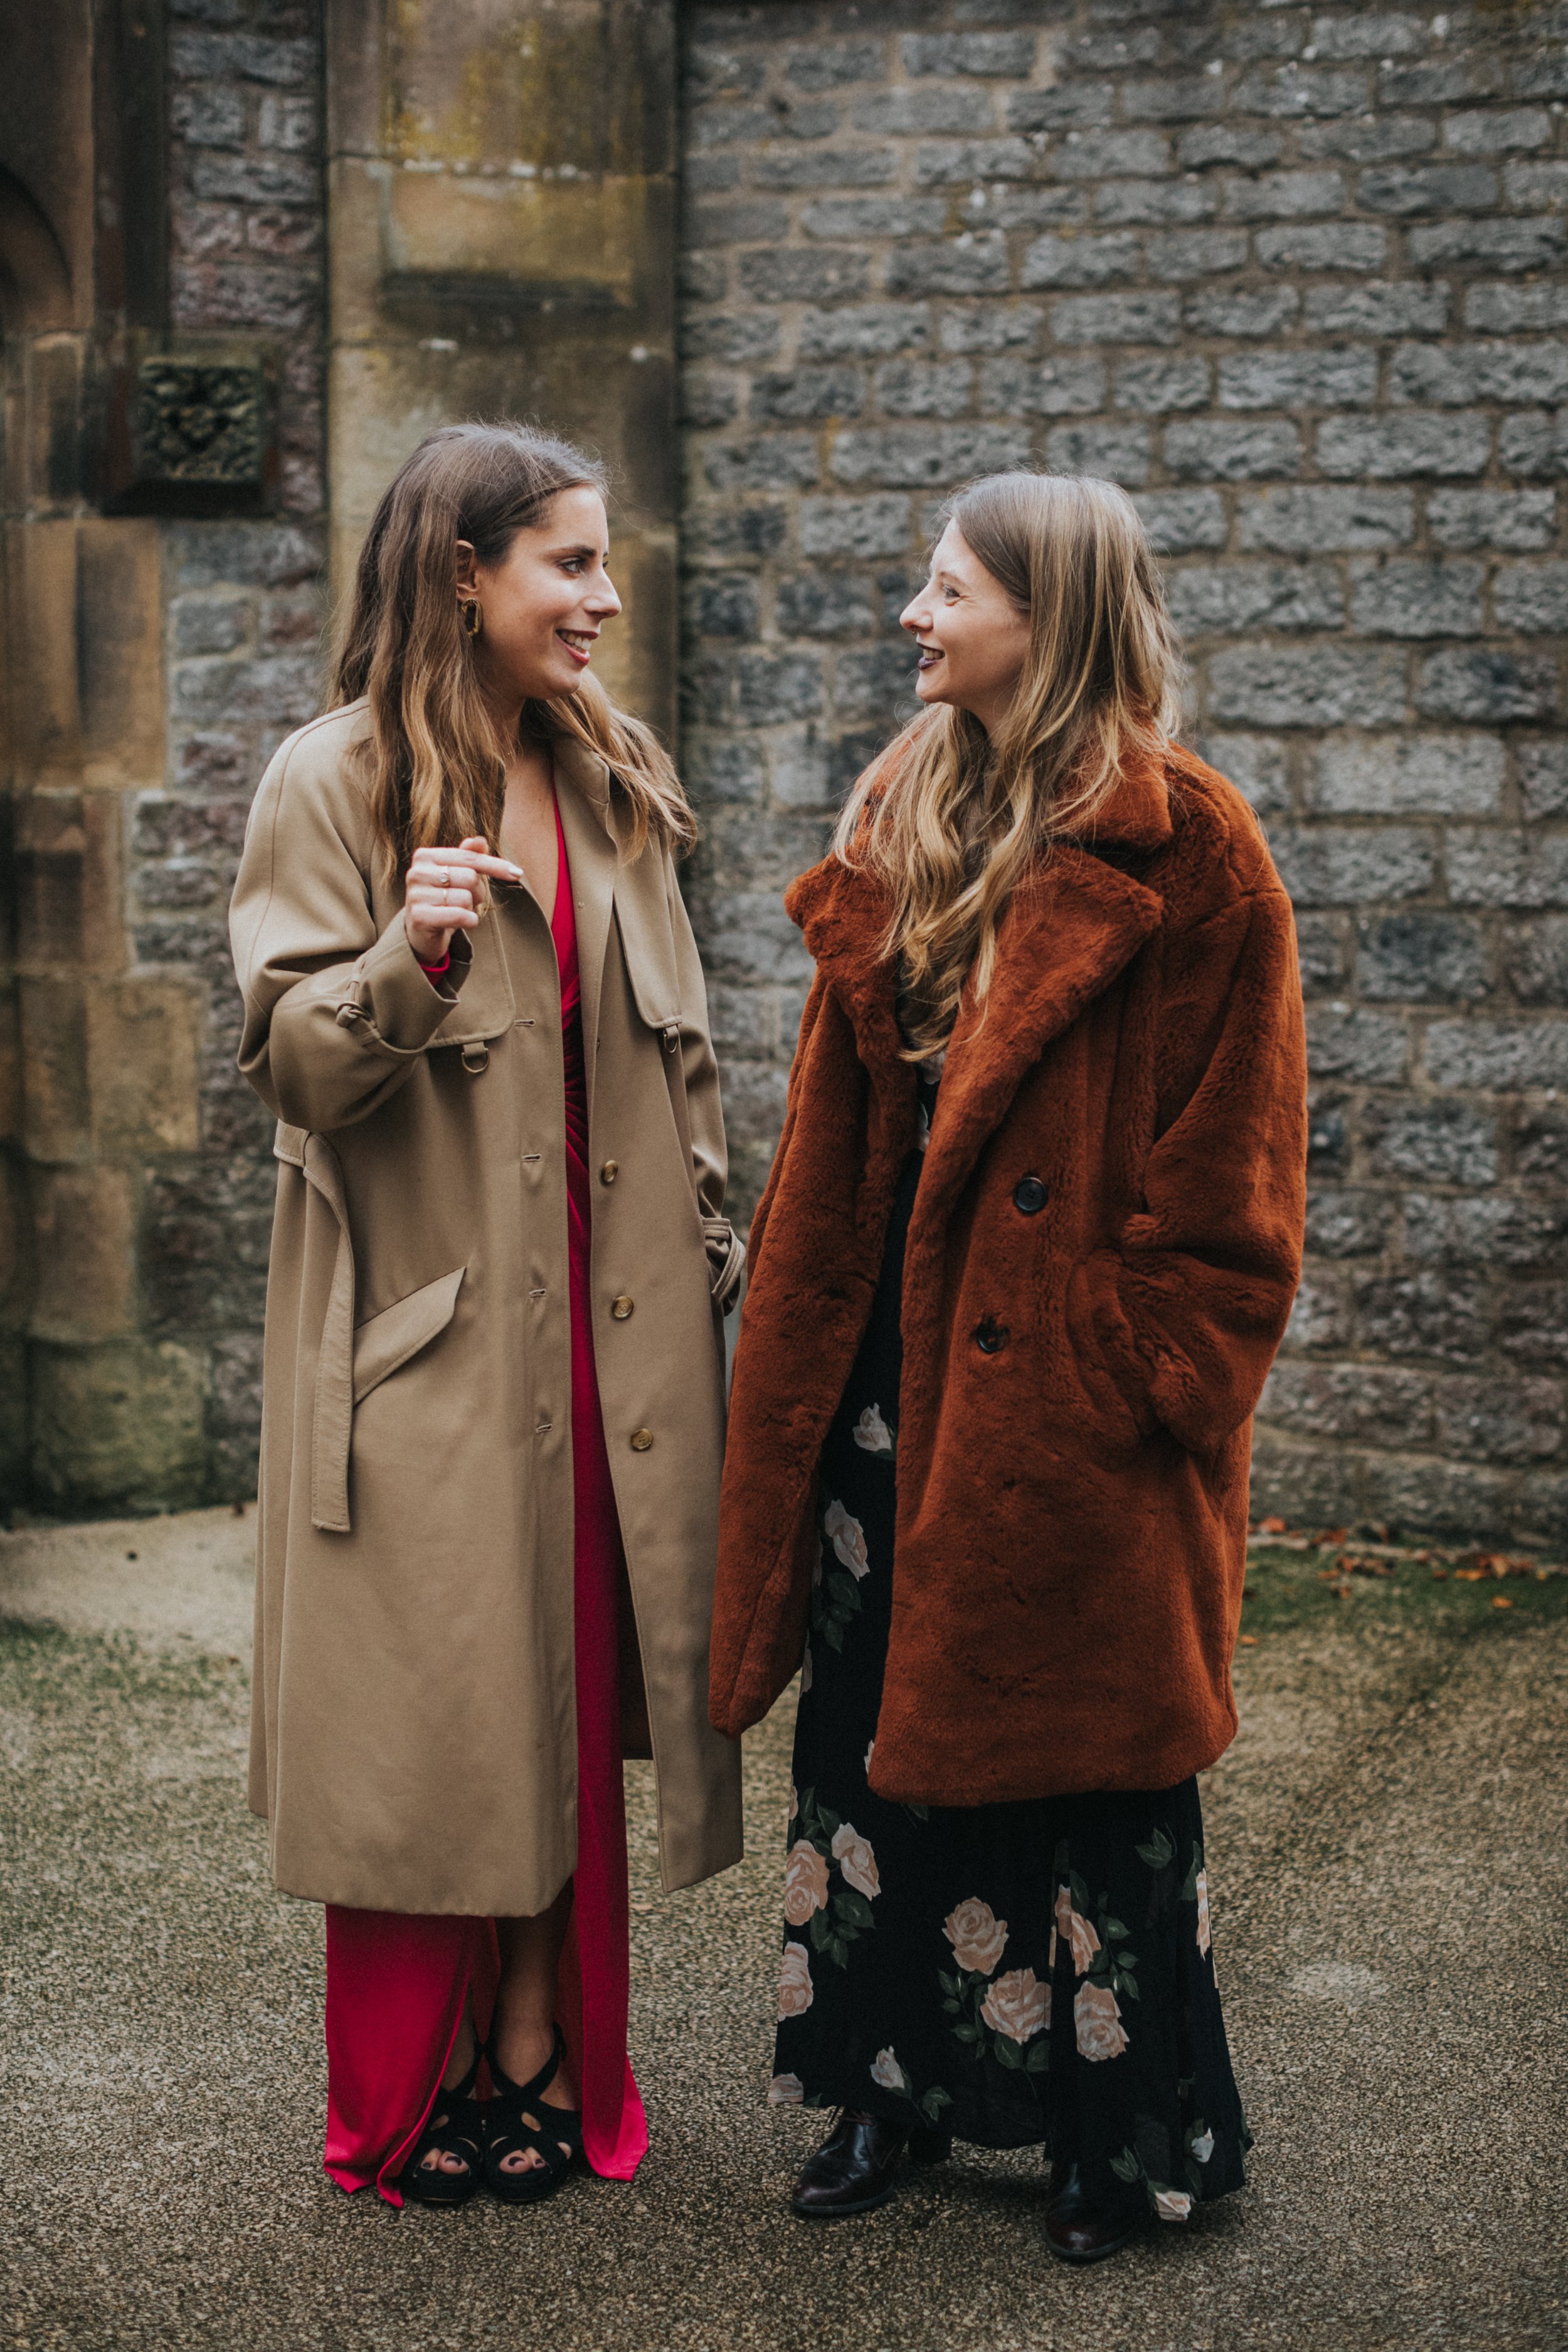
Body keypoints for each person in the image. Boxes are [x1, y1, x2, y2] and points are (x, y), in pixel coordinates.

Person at [708, 471, 1306, 2263]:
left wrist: (1140, 1374)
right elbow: (845, 1117)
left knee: (1089, 1781)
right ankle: (879, 2093)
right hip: (887, 1387)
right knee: (872, 1747)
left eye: (945, 585)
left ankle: (1112, 2141)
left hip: (1066, 1412)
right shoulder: (907, 798)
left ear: (1042, 617)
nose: (913, 611)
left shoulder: (1190, 843)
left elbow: (1240, 1167)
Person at [230, 421, 743, 2208]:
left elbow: (673, 1067)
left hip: (623, 1343)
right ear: (463, 573)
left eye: (605, 563)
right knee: (439, 1728)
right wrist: (408, 955)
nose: (606, 599)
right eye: (571, 564)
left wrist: (716, 1254)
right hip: (431, 1350)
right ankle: (410, 2084)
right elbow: (297, 1071)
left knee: (575, 1695)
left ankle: (539, 2049)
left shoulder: (613, 775)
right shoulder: (333, 780)